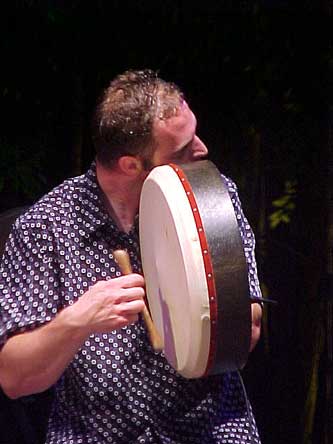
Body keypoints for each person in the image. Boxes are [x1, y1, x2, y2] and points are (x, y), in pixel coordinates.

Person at [0, 69, 263, 444]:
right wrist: (77, 322)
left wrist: (195, 301)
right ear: (130, 165)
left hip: (208, 432)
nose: (202, 149)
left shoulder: (211, 199)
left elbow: (249, 328)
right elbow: (13, 378)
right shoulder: (46, 227)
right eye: (182, 149)